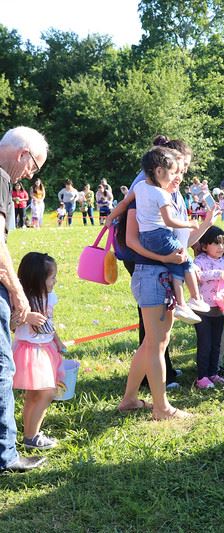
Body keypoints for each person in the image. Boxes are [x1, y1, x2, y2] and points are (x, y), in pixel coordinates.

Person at [113, 147, 210, 323]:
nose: (180, 175)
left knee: (178, 264)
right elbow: (169, 221)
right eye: (176, 171)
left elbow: (124, 203)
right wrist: (190, 223)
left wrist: (110, 218)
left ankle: (186, 303)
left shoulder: (141, 187)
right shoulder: (161, 195)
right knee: (185, 261)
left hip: (150, 242)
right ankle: (192, 300)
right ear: (159, 171)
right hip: (156, 249)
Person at [0, 126, 49, 472]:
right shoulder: (1, 179)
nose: (30, 175)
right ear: (22, 154)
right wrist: (17, 294)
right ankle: (6, 454)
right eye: (34, 166)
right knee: (3, 369)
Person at [12, 252, 67, 451]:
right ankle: (32, 436)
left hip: (46, 349)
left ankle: (29, 434)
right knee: (46, 392)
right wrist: (27, 317)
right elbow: (11, 323)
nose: (55, 281)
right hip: (29, 352)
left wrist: (57, 341)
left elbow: (49, 322)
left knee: (36, 395)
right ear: (37, 279)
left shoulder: (50, 296)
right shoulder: (21, 300)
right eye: (52, 277)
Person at [191, 226, 224, 389]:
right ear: (204, 246)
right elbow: (198, 276)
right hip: (202, 309)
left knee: (216, 343)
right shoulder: (199, 261)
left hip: (219, 308)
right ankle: (202, 377)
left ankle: (213, 373)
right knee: (205, 343)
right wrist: (218, 274)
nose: (220, 247)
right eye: (216, 244)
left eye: (222, 244)